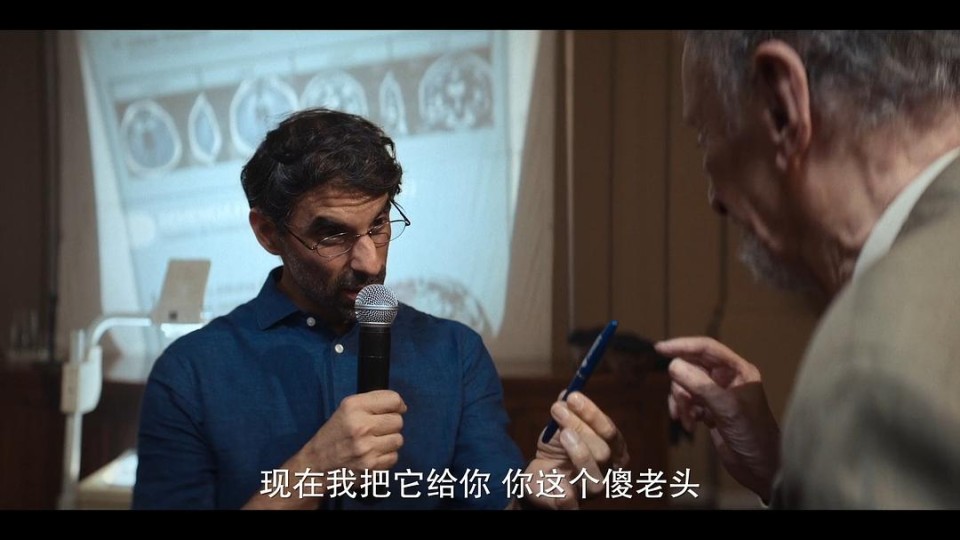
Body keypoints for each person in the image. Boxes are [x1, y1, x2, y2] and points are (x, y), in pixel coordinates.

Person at [133, 108, 627, 510]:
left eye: (379, 224)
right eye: (333, 234)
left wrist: (536, 497)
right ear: (267, 233)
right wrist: (310, 472)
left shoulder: (454, 354)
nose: (370, 262)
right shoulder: (191, 373)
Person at [661, 31, 960, 508]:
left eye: (705, 136)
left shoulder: (871, 367)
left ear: (782, 108)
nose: (714, 199)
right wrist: (786, 472)